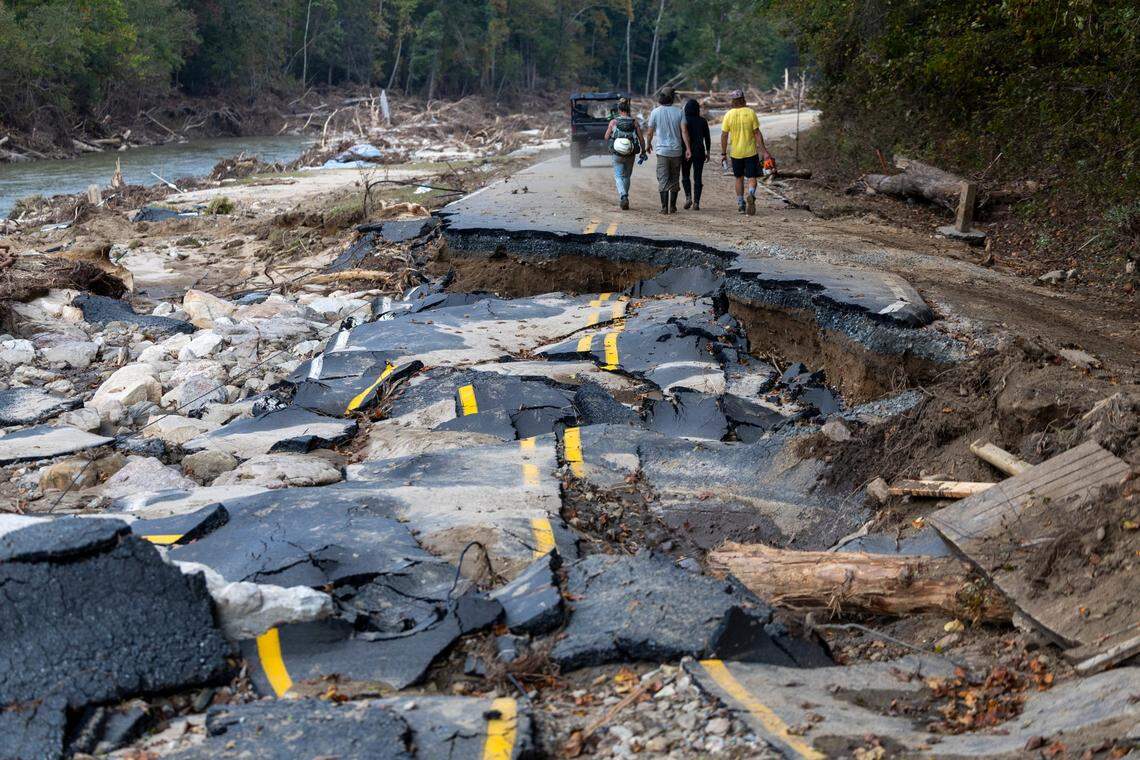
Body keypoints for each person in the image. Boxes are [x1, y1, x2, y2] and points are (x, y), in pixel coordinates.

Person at [720, 89, 774, 215]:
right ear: (743, 99)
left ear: (733, 101)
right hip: (750, 152)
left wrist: (723, 153)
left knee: (738, 178)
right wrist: (764, 151)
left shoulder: (728, 115)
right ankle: (750, 194)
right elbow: (757, 134)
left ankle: (740, 203)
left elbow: (724, 135)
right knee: (752, 177)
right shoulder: (750, 112)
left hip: (736, 153)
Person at [644, 87, 691, 214]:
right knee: (675, 178)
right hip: (676, 151)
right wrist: (688, 148)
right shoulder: (679, 112)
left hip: (662, 152)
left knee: (663, 178)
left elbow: (649, 132)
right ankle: (673, 206)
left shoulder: (655, 112)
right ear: (672, 97)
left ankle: (664, 207)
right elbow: (684, 131)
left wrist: (648, 145)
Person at [603, 99, 647, 210]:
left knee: (618, 176)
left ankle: (623, 196)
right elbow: (641, 139)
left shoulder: (614, 122)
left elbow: (606, 137)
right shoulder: (634, 122)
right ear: (628, 110)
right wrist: (643, 151)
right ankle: (625, 197)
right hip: (630, 153)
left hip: (617, 153)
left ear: (619, 110)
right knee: (627, 176)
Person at [680, 99, 711, 210]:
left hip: (685, 151)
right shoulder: (702, 121)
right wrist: (708, 152)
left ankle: (688, 197)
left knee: (685, 175)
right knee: (698, 177)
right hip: (699, 151)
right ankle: (696, 202)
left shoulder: (683, 120)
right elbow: (707, 137)